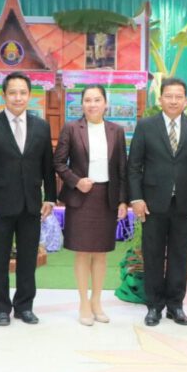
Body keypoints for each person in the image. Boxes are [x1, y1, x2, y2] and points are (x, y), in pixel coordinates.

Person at [0, 72, 57, 327]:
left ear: (30, 95)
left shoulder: (41, 126)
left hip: (31, 204)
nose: (18, 97)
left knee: (28, 259)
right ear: (4, 95)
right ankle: (2, 308)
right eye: (12, 93)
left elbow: (47, 166)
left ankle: (24, 306)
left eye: (23, 93)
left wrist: (50, 197)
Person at [127, 77, 187, 327]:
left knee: (179, 255)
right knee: (152, 254)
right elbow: (134, 166)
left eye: (178, 96)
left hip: (185, 203)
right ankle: (154, 306)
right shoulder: (146, 126)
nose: (173, 101)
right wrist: (136, 198)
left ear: (186, 101)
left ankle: (176, 305)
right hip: (152, 203)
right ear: (160, 99)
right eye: (169, 96)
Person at [53, 85, 128, 326]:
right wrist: (76, 181)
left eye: (97, 100)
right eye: (87, 100)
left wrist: (123, 200)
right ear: (82, 104)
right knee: (83, 252)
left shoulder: (117, 131)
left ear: (106, 103)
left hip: (107, 197)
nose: (92, 104)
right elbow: (59, 162)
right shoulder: (71, 128)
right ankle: (83, 303)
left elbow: (122, 168)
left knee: (101, 253)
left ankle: (97, 301)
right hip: (81, 198)